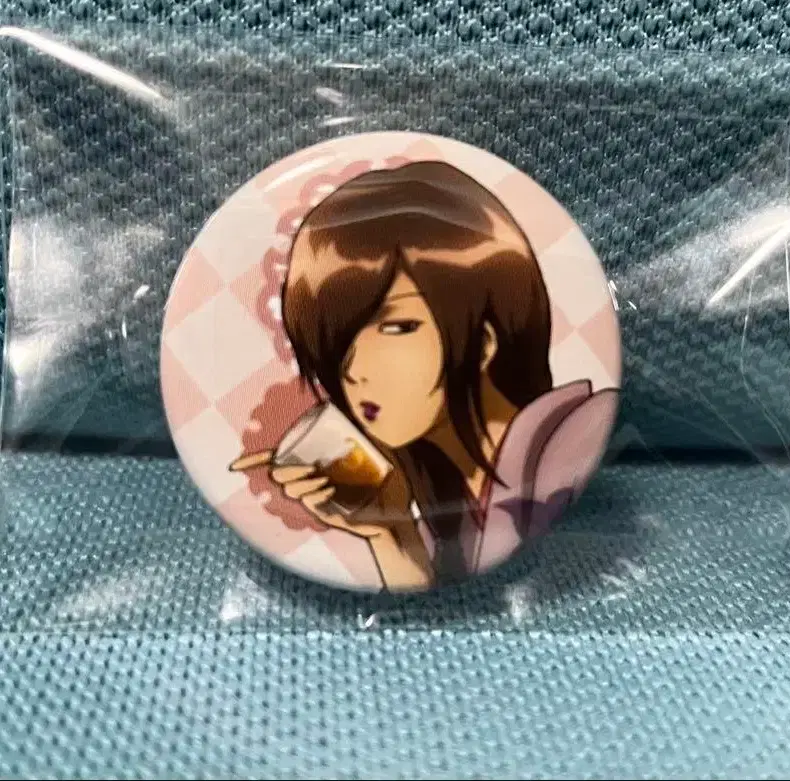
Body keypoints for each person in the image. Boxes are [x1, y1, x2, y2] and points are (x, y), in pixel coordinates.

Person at [234, 161, 618, 591]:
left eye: (397, 327)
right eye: (336, 341)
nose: (354, 370)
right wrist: (390, 529)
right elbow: (427, 596)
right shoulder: (445, 505)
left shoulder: (567, 445)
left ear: (484, 340)